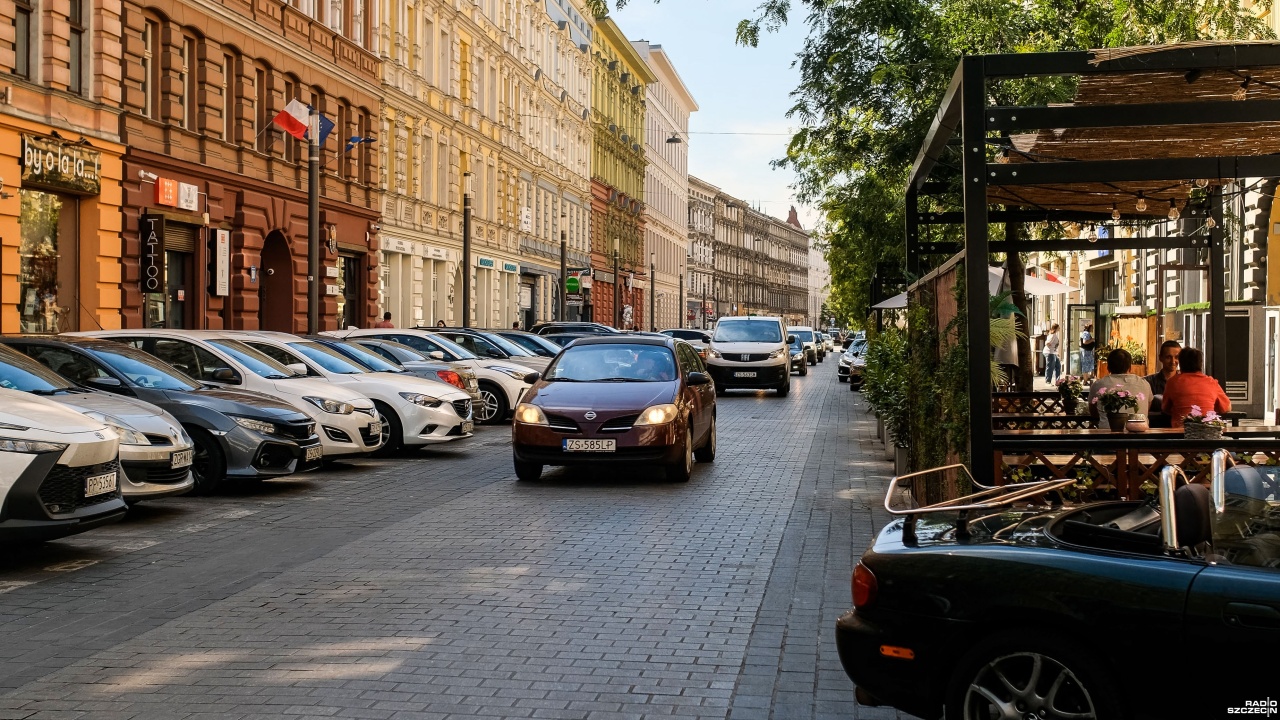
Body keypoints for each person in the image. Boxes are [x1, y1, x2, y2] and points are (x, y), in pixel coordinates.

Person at [1161, 347, 1230, 428]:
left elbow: (1165, 408)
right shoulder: (1211, 382)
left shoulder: (1172, 382)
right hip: (1207, 431)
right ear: (1200, 364)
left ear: (1181, 363)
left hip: (1181, 433)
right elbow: (1227, 407)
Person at [1087, 349, 1152, 430]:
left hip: (1107, 434)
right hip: (1140, 435)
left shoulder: (1098, 384)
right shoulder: (1144, 383)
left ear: (1108, 367)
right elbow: (1147, 407)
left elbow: (1093, 411)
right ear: (1130, 367)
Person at [1144, 340, 1181, 413]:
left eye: (1176, 357)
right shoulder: (1147, 382)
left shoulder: (1184, 383)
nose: (1173, 361)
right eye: (1168, 357)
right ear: (1160, 358)